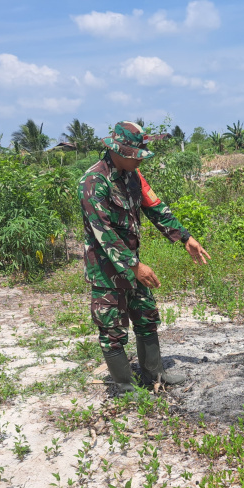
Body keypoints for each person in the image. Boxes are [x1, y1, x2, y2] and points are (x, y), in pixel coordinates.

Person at [78, 121, 210, 393]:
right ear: (118, 151)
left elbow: (156, 208)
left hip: (133, 265)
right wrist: (134, 266)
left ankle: (154, 375)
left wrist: (185, 238)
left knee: (147, 317)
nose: (139, 160)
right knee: (112, 330)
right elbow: (103, 232)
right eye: (134, 155)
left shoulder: (133, 176)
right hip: (106, 271)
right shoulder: (93, 182)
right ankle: (126, 388)